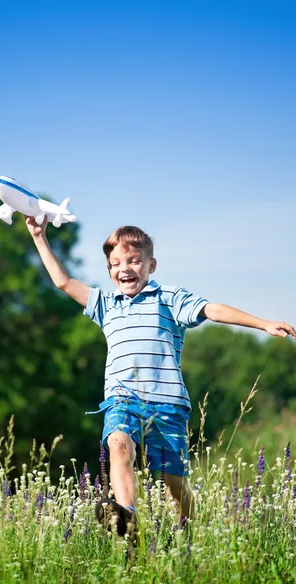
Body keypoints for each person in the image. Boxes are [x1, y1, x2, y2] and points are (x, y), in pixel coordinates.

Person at [25, 219, 296, 536]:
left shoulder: (169, 299)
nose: (124, 268)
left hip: (168, 406)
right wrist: (40, 237)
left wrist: (262, 323)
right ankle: (127, 518)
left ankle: (191, 528)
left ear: (151, 264)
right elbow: (62, 282)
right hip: (122, 400)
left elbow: (213, 310)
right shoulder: (106, 304)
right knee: (118, 444)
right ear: (110, 269)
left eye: (134, 260)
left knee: (174, 482)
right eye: (116, 263)